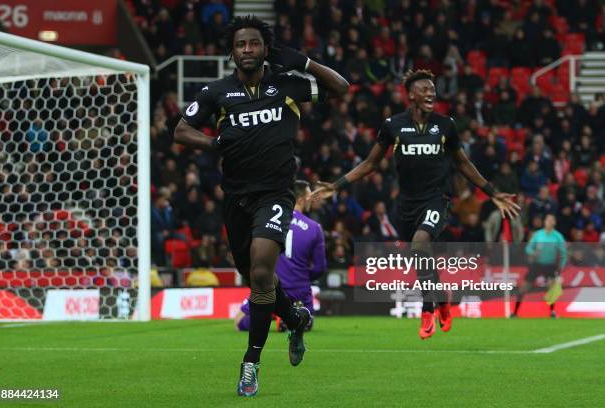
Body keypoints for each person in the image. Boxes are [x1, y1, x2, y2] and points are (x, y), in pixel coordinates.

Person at [173, 15, 348, 397]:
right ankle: (295, 317)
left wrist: (302, 61)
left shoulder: (287, 84)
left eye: (254, 43)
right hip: (237, 197)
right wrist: (214, 144)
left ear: (265, 48)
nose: (247, 50)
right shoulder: (217, 92)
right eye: (240, 45)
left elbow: (340, 87)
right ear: (232, 51)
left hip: (276, 194)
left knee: (263, 264)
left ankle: (250, 362)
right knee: (255, 279)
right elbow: (180, 131)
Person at [311, 69, 519, 340]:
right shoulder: (393, 126)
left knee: (420, 244)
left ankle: (428, 308)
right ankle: (443, 298)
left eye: (433, 90)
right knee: (420, 255)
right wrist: (336, 185)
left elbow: (463, 163)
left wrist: (491, 192)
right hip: (407, 205)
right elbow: (371, 163)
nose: (431, 93)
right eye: (425, 90)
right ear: (411, 95)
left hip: (438, 199)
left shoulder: (446, 126)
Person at [234, 180, 326, 332]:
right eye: (309, 196)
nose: (311, 200)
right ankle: (296, 316)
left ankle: (274, 315)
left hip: (271, 287)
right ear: (301, 199)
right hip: (300, 291)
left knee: (239, 322)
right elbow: (320, 268)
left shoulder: (270, 223)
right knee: (305, 318)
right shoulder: (315, 228)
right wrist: (300, 275)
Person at [512, 213, 568, 318]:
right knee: (524, 288)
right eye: (548, 220)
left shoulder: (558, 236)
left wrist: (561, 267)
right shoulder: (538, 234)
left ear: (555, 223)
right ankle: (515, 312)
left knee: (552, 288)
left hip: (551, 265)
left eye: (552, 220)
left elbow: (564, 254)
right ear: (544, 222)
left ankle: (552, 312)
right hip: (537, 264)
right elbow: (528, 248)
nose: (550, 222)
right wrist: (533, 253)